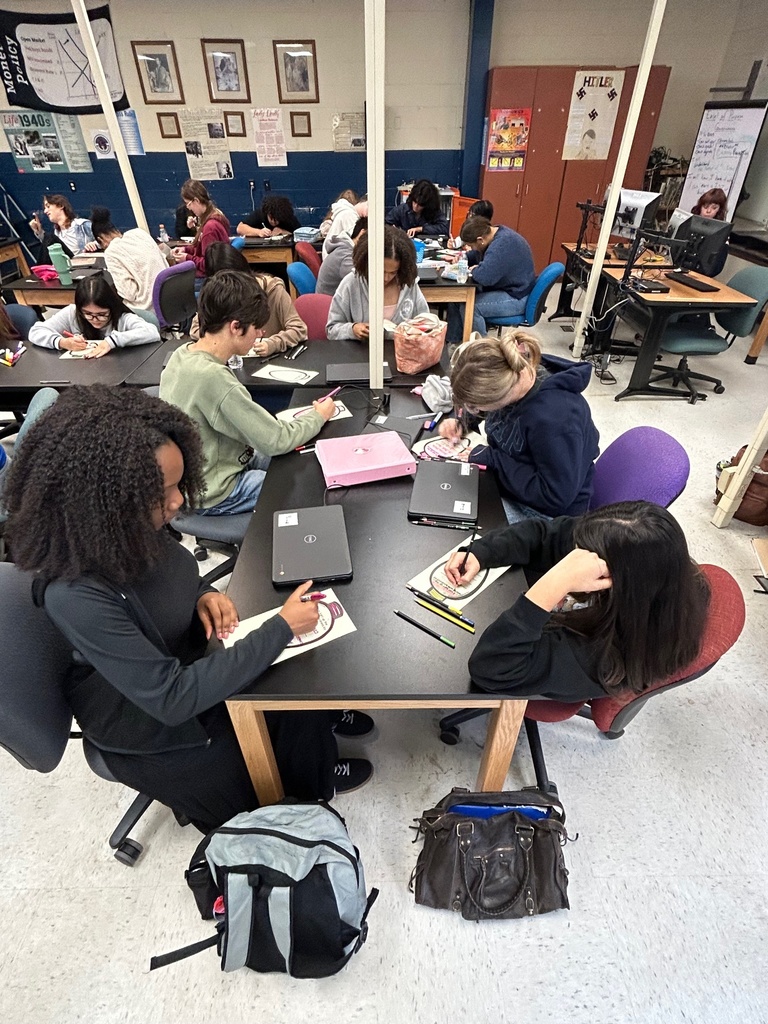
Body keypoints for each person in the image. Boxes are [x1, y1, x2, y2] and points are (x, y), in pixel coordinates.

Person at [3, 385, 371, 835]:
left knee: (296, 683)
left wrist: (201, 592)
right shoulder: (75, 593)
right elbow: (171, 699)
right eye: (164, 492)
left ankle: (316, 748)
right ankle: (305, 788)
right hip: (152, 722)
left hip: (178, 660)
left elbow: (173, 572)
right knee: (274, 693)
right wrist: (278, 628)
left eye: (178, 484)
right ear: (100, 499)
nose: (178, 502)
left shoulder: (125, 526)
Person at [443, 501, 710, 703]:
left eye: (584, 555)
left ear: (611, 580)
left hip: (539, 660)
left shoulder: (602, 660)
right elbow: (545, 534)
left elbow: (490, 668)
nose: (577, 557)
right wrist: (482, 552)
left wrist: (553, 584)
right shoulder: (652, 565)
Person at [161, 270, 335, 514]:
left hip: (195, 476)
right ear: (235, 327)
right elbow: (276, 440)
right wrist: (319, 415)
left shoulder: (182, 355)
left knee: (290, 457)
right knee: (302, 483)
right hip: (214, 491)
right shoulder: (214, 378)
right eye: (257, 327)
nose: (260, 334)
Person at [439, 330, 599, 523]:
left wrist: (493, 458)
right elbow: (489, 408)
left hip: (548, 515)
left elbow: (555, 496)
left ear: (500, 396)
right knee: (446, 491)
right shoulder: (511, 370)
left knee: (455, 520)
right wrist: (462, 423)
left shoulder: (556, 418)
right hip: (514, 484)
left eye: (476, 406)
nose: (472, 410)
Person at [189, 242, 307, 356]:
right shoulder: (217, 296)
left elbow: (299, 329)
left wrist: (274, 343)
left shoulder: (272, 290)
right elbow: (196, 328)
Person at [326, 225, 429, 341]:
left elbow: (426, 324)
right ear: (369, 263)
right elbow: (331, 329)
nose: (386, 278)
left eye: (393, 272)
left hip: (401, 355)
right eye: (382, 271)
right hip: (361, 356)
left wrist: (417, 332)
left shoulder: (408, 284)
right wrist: (352, 329)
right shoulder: (351, 283)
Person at [447, 215, 536, 338]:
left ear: (480, 240)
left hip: (517, 296)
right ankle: (455, 344)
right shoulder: (494, 234)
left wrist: (476, 269)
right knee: (457, 297)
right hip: (508, 289)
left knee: (470, 307)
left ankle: (483, 352)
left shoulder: (503, 244)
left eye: (472, 245)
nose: (472, 248)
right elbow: (479, 254)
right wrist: (464, 258)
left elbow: (485, 277)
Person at [28, 275, 160, 357]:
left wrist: (112, 341)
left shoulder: (122, 318)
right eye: (88, 314)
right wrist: (62, 342)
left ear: (111, 307)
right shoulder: (72, 313)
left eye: (102, 314)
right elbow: (35, 331)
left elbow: (152, 332)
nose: (95, 320)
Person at [90, 206, 168, 312]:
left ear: (101, 240)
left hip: (148, 308)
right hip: (169, 299)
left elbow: (129, 293)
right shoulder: (140, 233)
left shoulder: (111, 251)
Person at [172, 180, 231, 278]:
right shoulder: (216, 214)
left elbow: (208, 265)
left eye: (188, 204)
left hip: (209, 279)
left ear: (196, 200)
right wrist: (185, 249)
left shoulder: (210, 227)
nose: (189, 208)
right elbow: (203, 249)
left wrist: (187, 258)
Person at [29, 194, 99, 256]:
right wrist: (39, 231)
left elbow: (106, 238)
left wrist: (94, 244)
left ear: (61, 206)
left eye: (48, 206)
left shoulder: (82, 225)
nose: (45, 211)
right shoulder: (57, 233)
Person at [316, 216, 367, 297]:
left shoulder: (346, 248)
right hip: (330, 305)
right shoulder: (346, 255)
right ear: (362, 233)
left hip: (333, 300)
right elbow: (362, 284)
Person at [236, 195, 301, 238]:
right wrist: (259, 232)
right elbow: (240, 228)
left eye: (278, 220)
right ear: (268, 214)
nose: (275, 223)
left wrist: (282, 231)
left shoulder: (287, 216)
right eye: (272, 219)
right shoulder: (260, 214)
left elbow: (300, 234)